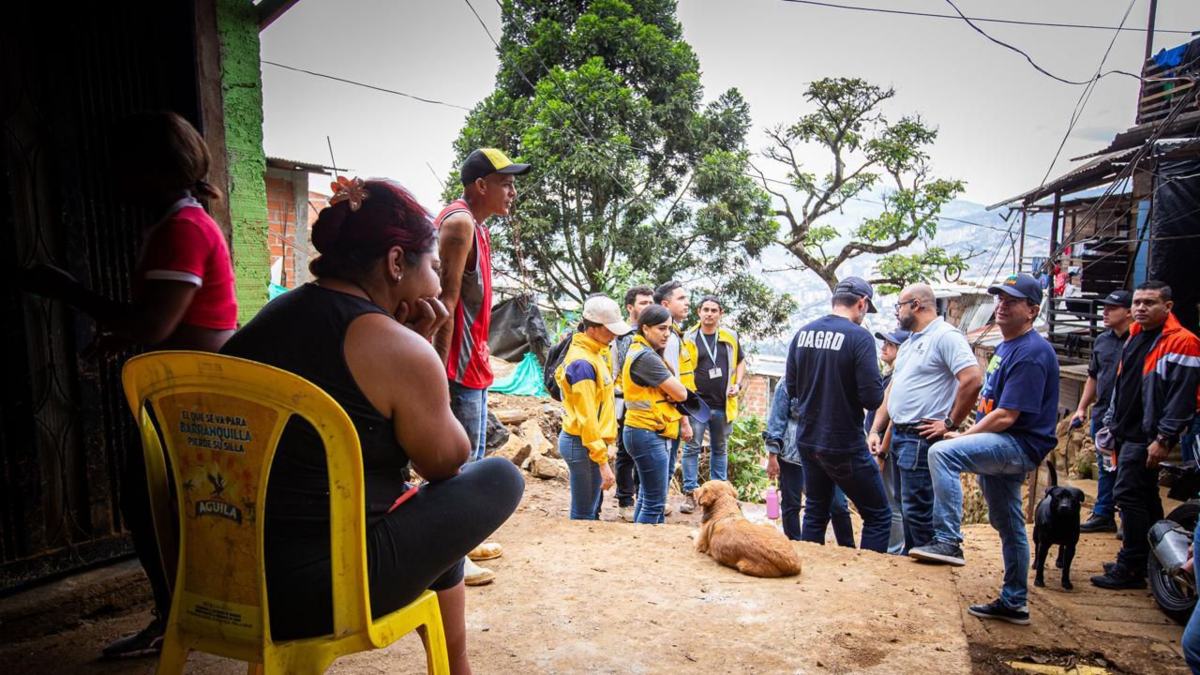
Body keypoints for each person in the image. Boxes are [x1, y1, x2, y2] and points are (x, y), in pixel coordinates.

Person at [222, 179, 524, 674]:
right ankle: (457, 666)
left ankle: (457, 664)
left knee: (420, 509)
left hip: (222, 576)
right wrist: (421, 349)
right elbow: (445, 462)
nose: (437, 288)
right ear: (396, 262)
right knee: (496, 477)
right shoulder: (395, 347)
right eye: (434, 268)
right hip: (322, 591)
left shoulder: (270, 318)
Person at [20, 111, 237, 657]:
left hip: (191, 393)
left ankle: (174, 620)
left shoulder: (182, 229)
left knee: (149, 504)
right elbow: (175, 318)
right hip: (187, 386)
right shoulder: (182, 223)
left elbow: (156, 324)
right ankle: (183, 615)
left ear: (153, 168)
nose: (115, 174)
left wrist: (67, 289)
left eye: (124, 163)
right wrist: (125, 334)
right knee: (163, 505)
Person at [913, 273, 1059, 627]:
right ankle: (1015, 602)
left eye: (1012, 301)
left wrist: (962, 436)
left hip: (1017, 444)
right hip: (1006, 443)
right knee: (1009, 524)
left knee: (942, 453)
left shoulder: (1032, 353)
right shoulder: (1009, 345)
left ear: (1032, 310)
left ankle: (948, 540)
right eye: (1000, 299)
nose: (1002, 306)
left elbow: (1007, 416)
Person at [434, 148, 530, 585]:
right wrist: (437, 372)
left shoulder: (477, 227)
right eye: (505, 184)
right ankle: (450, 558)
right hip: (456, 366)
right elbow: (446, 301)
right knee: (460, 464)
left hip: (472, 359)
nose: (512, 192)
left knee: (471, 459)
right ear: (480, 185)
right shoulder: (458, 224)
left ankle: (465, 540)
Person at [1092, 281, 1200, 590]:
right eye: (1137, 302)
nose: (1141, 307)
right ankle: (1151, 558)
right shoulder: (1137, 334)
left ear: (1167, 306)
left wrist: (1164, 438)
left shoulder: (1183, 342)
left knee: (1126, 494)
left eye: (1149, 303)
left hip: (1148, 433)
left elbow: (1182, 397)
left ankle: (1130, 565)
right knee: (1145, 494)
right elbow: (1124, 383)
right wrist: (1112, 424)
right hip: (1126, 429)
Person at [868, 284, 982, 553]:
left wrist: (950, 422)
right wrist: (875, 429)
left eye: (899, 306)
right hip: (899, 434)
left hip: (920, 436)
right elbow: (892, 391)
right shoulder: (910, 342)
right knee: (905, 506)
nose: (897, 313)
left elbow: (973, 379)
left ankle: (927, 562)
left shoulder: (945, 336)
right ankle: (912, 557)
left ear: (916, 305)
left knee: (918, 509)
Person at [784, 277, 891, 552]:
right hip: (843, 442)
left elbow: (791, 388)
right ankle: (867, 574)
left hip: (808, 439)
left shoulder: (803, 333)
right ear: (862, 303)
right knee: (878, 514)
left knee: (816, 510)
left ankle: (810, 570)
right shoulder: (860, 337)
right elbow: (872, 398)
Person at [556, 295, 630, 520]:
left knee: (588, 509)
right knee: (583, 513)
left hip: (588, 443)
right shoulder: (583, 364)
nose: (614, 335)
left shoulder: (595, 352)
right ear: (593, 328)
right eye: (610, 330)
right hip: (582, 443)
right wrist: (602, 462)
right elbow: (587, 418)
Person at [1070, 289, 1133, 534]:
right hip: (1103, 413)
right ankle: (1104, 513)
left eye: (1112, 308)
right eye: (1103, 308)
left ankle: (1128, 518)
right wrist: (1081, 408)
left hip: (1129, 416)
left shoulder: (1139, 341)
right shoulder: (1102, 341)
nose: (1104, 313)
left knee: (1129, 468)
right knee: (1105, 465)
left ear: (1128, 312)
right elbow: (1093, 376)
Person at [621, 305, 691, 524]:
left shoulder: (642, 351)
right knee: (654, 502)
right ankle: (645, 542)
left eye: (669, 329)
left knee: (646, 496)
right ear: (645, 328)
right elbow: (681, 393)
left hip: (642, 429)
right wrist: (675, 393)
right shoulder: (646, 358)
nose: (667, 334)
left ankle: (639, 540)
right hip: (646, 431)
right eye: (661, 328)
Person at [766, 382, 856, 546]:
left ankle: (848, 548)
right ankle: (796, 546)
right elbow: (776, 421)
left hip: (824, 452)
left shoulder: (827, 379)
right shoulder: (787, 384)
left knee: (838, 505)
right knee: (792, 504)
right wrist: (773, 456)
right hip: (792, 455)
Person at [680, 296, 746, 514]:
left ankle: (721, 495)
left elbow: (740, 361)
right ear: (698, 312)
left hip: (722, 404)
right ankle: (691, 493)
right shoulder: (688, 337)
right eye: (706, 309)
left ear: (720, 314)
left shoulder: (729, 336)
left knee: (720, 448)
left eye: (714, 310)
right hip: (697, 405)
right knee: (692, 448)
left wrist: (737, 384)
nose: (709, 314)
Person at [652, 280, 696, 512]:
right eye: (681, 298)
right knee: (665, 466)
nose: (686, 302)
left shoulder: (675, 335)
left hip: (673, 412)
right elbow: (672, 384)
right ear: (665, 304)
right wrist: (685, 421)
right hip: (670, 414)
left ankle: (656, 506)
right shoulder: (667, 338)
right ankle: (656, 509)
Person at [613, 285, 655, 522]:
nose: (648, 307)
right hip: (625, 401)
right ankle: (625, 501)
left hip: (647, 403)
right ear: (630, 307)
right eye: (643, 303)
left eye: (651, 302)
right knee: (625, 452)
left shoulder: (651, 334)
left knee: (644, 451)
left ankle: (642, 499)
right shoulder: (624, 336)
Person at [868, 328, 911, 555]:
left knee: (892, 502)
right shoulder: (889, 376)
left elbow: (895, 417)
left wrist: (882, 452)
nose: (884, 347)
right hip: (880, 444)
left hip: (888, 446)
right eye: (884, 343)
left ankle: (893, 549)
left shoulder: (900, 377)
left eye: (891, 345)